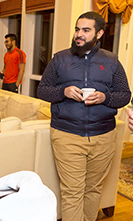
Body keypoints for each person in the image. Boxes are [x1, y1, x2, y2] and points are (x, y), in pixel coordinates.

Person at [37, 11, 131, 221]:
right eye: (77, 29)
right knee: (72, 191)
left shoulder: (112, 61)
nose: (79, 34)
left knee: (93, 189)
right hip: (67, 134)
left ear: (98, 34)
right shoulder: (60, 59)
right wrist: (64, 92)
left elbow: (124, 95)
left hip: (103, 136)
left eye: (85, 30)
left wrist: (104, 97)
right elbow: (42, 90)